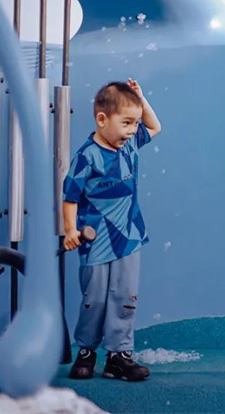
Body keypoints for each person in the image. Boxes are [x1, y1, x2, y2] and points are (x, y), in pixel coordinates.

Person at [63, 79, 161, 381]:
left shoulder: (130, 143)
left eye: (135, 123)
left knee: (125, 297)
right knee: (94, 299)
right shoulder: (86, 156)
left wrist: (141, 99)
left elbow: (155, 126)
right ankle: (86, 352)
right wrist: (70, 230)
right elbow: (70, 197)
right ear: (102, 120)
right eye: (126, 123)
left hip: (129, 237)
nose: (132, 130)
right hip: (95, 241)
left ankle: (119, 356)